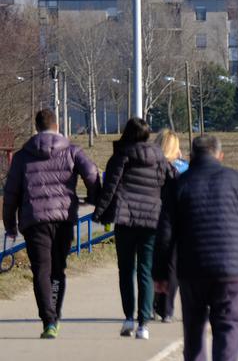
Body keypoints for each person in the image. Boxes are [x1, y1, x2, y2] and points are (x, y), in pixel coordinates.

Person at [155, 135, 238, 361]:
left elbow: (165, 235)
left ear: (191, 157)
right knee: (228, 324)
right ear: (220, 156)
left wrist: (160, 275)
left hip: (191, 269)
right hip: (230, 268)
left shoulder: (179, 185)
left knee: (193, 330)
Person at [3, 109, 100, 339]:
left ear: (36, 128)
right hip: (64, 217)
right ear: (57, 126)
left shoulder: (22, 156)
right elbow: (92, 173)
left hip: (34, 219)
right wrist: (94, 198)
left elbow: (11, 194)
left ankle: (49, 321)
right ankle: (54, 314)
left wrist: (10, 224)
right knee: (58, 269)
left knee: (41, 270)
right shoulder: (72, 151)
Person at [94, 117, 175, 340]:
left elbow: (110, 186)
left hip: (125, 218)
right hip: (151, 219)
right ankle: (144, 324)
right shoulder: (159, 156)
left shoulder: (122, 155)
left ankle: (129, 317)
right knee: (146, 270)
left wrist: (100, 212)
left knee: (126, 270)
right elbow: (170, 181)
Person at [154, 129, 189, 322]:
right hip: (174, 221)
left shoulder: (149, 166)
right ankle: (166, 308)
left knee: (152, 263)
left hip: (150, 218)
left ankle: (153, 301)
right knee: (172, 265)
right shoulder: (182, 168)